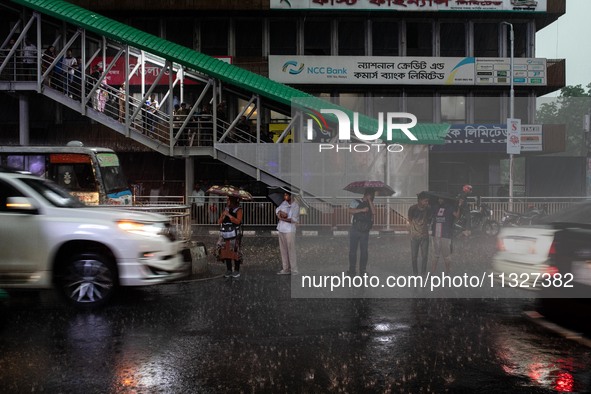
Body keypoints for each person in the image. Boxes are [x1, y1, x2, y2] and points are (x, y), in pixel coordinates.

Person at [347, 188, 376, 276]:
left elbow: (374, 212)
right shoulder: (355, 201)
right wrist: (362, 210)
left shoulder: (370, 204)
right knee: (353, 251)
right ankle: (352, 270)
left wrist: (370, 202)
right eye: (370, 196)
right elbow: (350, 210)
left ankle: (362, 270)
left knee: (364, 251)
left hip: (365, 231)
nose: (371, 198)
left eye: (372, 197)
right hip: (355, 229)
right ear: (365, 195)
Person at [430, 195, 459, 273]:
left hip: (445, 235)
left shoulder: (450, 207)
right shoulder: (435, 207)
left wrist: (459, 206)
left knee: (446, 255)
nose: (440, 200)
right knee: (435, 255)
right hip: (436, 235)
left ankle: (447, 271)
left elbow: (457, 215)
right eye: (439, 198)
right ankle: (433, 272)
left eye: (441, 198)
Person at [216, 196, 243, 278]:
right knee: (226, 251)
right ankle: (228, 269)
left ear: (233, 200)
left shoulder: (238, 210)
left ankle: (237, 270)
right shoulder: (225, 209)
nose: (227, 201)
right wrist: (223, 216)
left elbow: (238, 221)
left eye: (228, 200)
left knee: (235, 251)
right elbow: (219, 222)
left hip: (235, 234)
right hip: (225, 234)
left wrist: (230, 216)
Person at [276, 188, 300, 275]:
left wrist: (283, 218)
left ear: (291, 196)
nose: (285, 196)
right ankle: (285, 268)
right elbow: (277, 210)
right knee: (283, 250)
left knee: (291, 249)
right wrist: (280, 213)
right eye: (284, 195)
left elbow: (294, 219)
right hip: (281, 229)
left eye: (286, 195)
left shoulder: (295, 206)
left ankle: (294, 269)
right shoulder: (283, 203)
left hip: (290, 230)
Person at [408, 192, 431, 276]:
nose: (426, 203)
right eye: (425, 201)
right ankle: (415, 273)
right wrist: (412, 230)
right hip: (414, 236)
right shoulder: (412, 208)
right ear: (420, 201)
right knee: (414, 256)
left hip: (424, 236)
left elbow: (429, 219)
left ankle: (423, 273)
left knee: (425, 256)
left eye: (427, 201)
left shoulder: (428, 208)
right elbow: (410, 220)